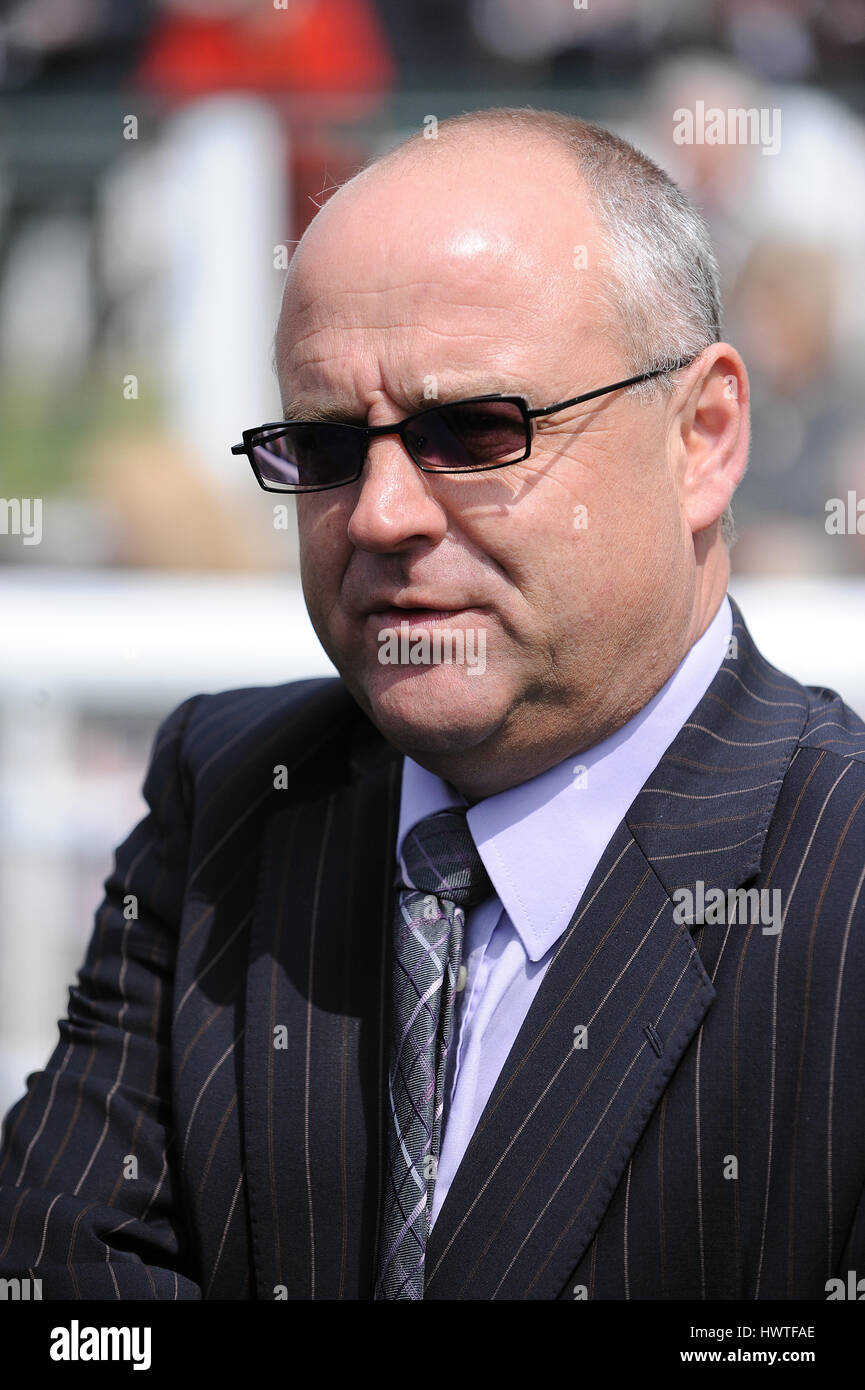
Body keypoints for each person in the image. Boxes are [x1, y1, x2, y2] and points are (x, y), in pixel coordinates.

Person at [2, 107, 864, 1301]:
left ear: (702, 437)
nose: (382, 515)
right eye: (325, 444)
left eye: (472, 429)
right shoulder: (230, 797)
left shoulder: (838, 875)